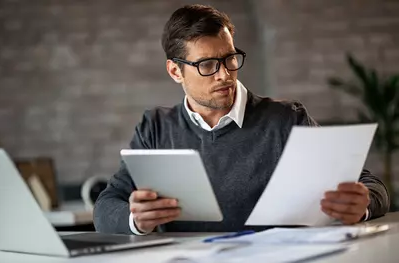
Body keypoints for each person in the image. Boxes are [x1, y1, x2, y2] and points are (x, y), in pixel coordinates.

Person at [93, 4, 389, 235]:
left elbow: (371, 185)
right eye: (207, 64)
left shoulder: (286, 119)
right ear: (175, 72)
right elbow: (106, 208)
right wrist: (135, 219)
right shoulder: (155, 127)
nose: (224, 74)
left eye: (230, 58)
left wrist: (362, 205)